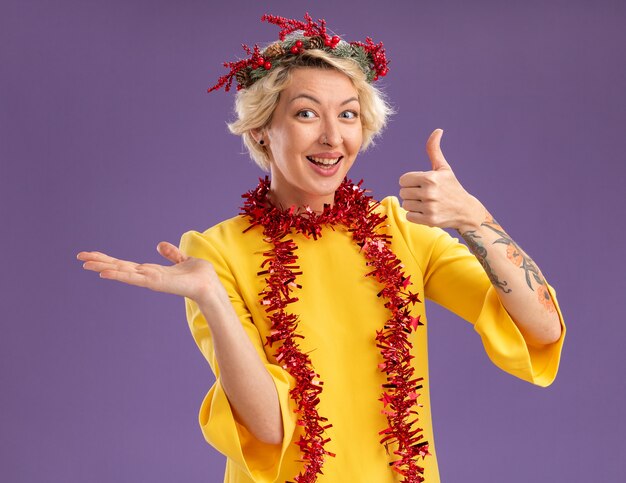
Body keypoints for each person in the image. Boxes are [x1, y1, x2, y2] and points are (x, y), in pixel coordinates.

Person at [76, 13, 565, 483]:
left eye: (348, 115)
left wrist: (474, 220)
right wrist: (211, 299)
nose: (332, 137)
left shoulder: (399, 230)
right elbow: (268, 430)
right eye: (306, 113)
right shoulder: (214, 253)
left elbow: (541, 327)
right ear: (262, 131)